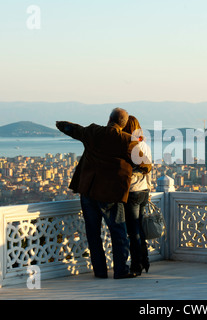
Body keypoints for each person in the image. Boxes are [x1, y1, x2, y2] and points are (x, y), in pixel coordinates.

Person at [55, 108, 151, 279]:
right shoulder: (127, 141)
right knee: (118, 231)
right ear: (123, 124)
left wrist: (61, 125)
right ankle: (121, 270)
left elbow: (74, 129)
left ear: (109, 119)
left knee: (93, 233)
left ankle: (100, 271)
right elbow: (146, 165)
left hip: (88, 191)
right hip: (110, 194)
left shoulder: (93, 132)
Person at [122, 116, 152, 276]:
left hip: (133, 191)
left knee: (133, 231)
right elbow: (149, 167)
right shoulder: (145, 145)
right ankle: (145, 259)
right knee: (139, 227)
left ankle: (136, 264)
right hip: (144, 190)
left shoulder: (130, 146)